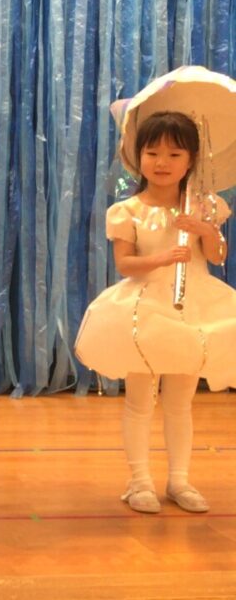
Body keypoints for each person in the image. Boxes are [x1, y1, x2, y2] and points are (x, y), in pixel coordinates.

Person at [75, 111, 236, 514]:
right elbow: (125, 264)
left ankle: (179, 480)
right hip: (144, 309)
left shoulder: (204, 206)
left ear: (191, 160)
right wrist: (162, 258)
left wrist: (205, 230)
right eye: (152, 152)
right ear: (138, 156)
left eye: (174, 154)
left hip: (191, 308)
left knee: (180, 401)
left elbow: (217, 256)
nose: (162, 162)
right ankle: (139, 481)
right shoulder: (128, 210)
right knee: (140, 401)